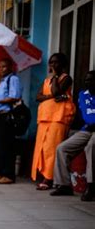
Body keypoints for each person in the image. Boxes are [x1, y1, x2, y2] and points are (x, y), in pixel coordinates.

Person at [31, 53, 75, 190]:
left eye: (56, 62)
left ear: (63, 64)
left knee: (52, 148)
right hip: (45, 118)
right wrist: (50, 96)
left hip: (59, 118)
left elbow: (57, 92)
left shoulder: (66, 78)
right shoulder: (46, 80)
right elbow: (38, 97)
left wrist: (55, 77)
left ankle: (48, 178)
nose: (52, 65)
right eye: (51, 63)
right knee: (42, 148)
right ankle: (42, 174)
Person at [51, 70, 95, 201]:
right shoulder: (83, 94)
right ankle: (64, 185)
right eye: (86, 80)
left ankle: (91, 186)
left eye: (91, 80)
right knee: (62, 148)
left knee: (91, 147)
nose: (87, 82)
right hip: (87, 129)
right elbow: (86, 116)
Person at [0, 58, 22, 184]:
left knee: (6, 146)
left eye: (4, 67)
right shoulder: (2, 81)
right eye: (0, 67)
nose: (1, 69)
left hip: (6, 115)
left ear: (10, 67)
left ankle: (9, 175)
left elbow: (14, 97)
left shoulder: (13, 79)